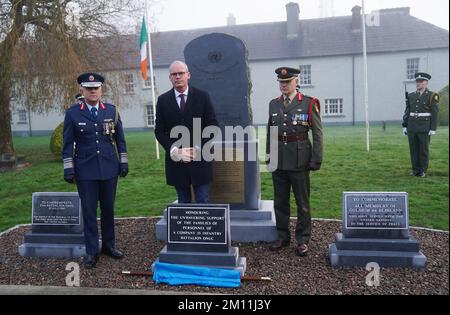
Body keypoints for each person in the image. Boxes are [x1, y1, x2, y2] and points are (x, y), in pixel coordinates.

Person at [62, 72, 129, 269]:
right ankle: (91, 251)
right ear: (81, 90)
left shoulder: (111, 111)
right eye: (89, 88)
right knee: (89, 212)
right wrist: (69, 169)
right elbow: (67, 144)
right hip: (85, 171)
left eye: (96, 88)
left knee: (108, 209)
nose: (93, 91)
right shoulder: (73, 113)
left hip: (109, 168)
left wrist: (123, 162)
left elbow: (120, 140)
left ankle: (109, 246)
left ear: (101, 90)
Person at [266, 67, 323, 257]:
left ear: (296, 82)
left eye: (287, 82)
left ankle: (302, 240)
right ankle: (282, 236)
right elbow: (270, 133)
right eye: (281, 82)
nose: (283, 85)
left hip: (300, 159)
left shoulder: (308, 103)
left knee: (302, 202)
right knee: (280, 201)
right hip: (279, 159)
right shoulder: (273, 104)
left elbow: (317, 133)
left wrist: (317, 158)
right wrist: (269, 155)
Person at [155, 60, 218, 203]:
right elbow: (159, 131)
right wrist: (175, 150)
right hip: (177, 163)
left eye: (181, 73)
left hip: (200, 160)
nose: (177, 77)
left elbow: (213, 126)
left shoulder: (202, 97)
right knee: (183, 204)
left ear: (188, 75)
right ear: (170, 78)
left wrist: (198, 149)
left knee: (202, 201)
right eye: (174, 74)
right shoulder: (163, 100)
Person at [402, 72, 440, 177]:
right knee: (413, 149)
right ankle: (415, 170)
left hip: (424, 127)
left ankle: (422, 170)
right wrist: (405, 125)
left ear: (426, 83)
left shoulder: (432, 95)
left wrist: (433, 128)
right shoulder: (411, 95)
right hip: (412, 126)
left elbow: (435, 113)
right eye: (417, 82)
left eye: (421, 82)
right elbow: (407, 111)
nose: (418, 84)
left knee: (423, 150)